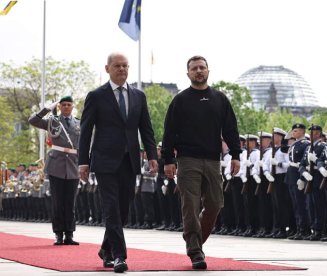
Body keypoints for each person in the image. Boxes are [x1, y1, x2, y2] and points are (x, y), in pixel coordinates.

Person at [78, 52, 157, 273]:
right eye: (117, 66)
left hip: (130, 160)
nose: (122, 69)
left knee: (123, 208)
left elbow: (146, 129)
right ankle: (119, 256)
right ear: (107, 68)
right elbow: (86, 131)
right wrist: (83, 162)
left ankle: (105, 249)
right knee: (111, 207)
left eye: (125, 66)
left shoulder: (138, 96)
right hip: (104, 161)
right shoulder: (96, 96)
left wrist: (152, 155)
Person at [161, 55, 241, 270]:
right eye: (194, 68)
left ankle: (194, 241)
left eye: (202, 67)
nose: (199, 71)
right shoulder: (180, 100)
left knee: (215, 204)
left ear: (208, 71)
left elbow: (231, 129)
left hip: (213, 160)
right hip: (187, 161)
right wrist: (168, 160)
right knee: (190, 206)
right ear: (188, 73)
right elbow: (169, 132)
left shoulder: (220, 99)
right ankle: (196, 251)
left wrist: (235, 154)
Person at [28, 95, 80, 246]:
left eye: (68, 104)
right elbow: (33, 121)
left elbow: (84, 145)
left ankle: (69, 234)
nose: (66, 107)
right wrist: (47, 109)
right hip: (56, 165)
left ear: (72, 106)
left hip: (73, 166)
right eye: (63, 104)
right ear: (59, 106)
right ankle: (58, 234)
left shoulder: (79, 123)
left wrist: (84, 164)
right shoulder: (52, 121)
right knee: (57, 202)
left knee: (70, 202)